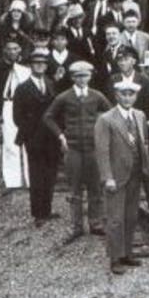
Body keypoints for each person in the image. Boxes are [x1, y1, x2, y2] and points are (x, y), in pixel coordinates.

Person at [44, 61, 111, 241]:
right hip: (73, 148)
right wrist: (61, 136)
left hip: (93, 149)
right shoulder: (64, 97)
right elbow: (48, 117)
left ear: (90, 77)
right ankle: (76, 226)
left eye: (85, 75)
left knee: (95, 187)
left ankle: (96, 223)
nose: (82, 79)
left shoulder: (97, 96)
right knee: (74, 189)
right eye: (78, 76)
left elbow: (111, 114)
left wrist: (102, 133)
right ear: (72, 77)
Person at [94, 78, 149, 275]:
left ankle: (127, 252)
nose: (127, 98)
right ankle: (115, 257)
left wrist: (146, 168)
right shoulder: (106, 119)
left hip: (135, 173)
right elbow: (102, 151)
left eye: (131, 94)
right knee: (115, 218)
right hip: (117, 176)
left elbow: (143, 144)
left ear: (136, 96)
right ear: (116, 95)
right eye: (124, 94)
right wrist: (107, 177)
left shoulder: (140, 116)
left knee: (131, 216)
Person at [13, 49, 60, 226]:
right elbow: (17, 117)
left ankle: (47, 209)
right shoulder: (22, 88)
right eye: (36, 63)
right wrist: (30, 134)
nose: (40, 66)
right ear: (31, 66)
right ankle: (38, 213)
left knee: (51, 173)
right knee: (36, 174)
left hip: (51, 137)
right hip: (33, 138)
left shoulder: (50, 83)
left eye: (43, 63)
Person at [0, 39, 31, 189]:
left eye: (15, 49)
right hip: (7, 104)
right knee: (9, 142)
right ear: (4, 51)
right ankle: (12, 180)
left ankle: (30, 179)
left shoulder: (26, 68)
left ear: (20, 50)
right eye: (9, 49)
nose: (12, 52)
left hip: (22, 105)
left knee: (28, 142)